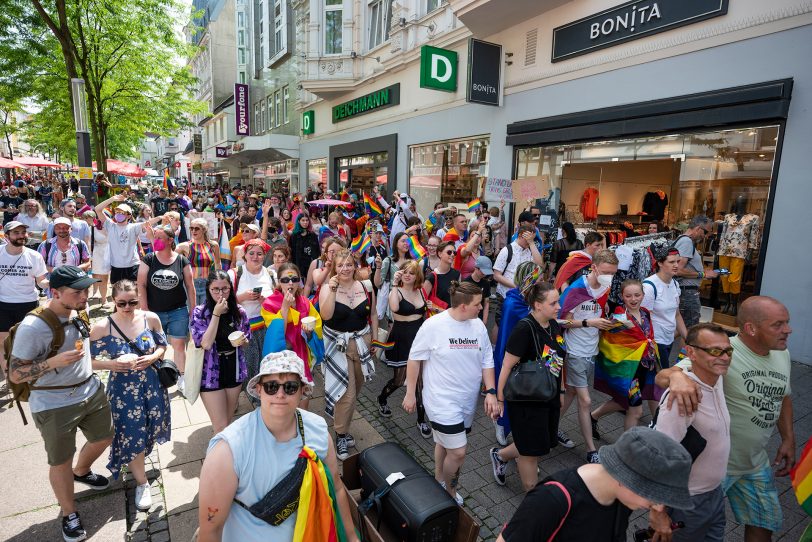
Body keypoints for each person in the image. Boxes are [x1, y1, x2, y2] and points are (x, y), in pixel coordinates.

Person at [655, 296, 795, 542]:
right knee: (691, 530)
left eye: (787, 323)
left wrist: (788, 438)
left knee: (764, 522)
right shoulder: (721, 353)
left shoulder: (781, 354)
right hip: (717, 470)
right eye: (778, 324)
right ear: (751, 328)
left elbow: (784, 396)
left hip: (754, 462)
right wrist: (676, 377)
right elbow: (666, 376)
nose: (787, 330)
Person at [197, 351, 359, 542]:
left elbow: (337, 488)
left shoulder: (318, 430)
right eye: (271, 386)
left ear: (302, 391)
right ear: (259, 390)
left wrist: (351, 537)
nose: (280, 394)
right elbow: (211, 530)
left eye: (290, 387)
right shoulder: (229, 450)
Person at [8, 266, 113, 542]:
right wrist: (50, 363)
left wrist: (112, 364)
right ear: (54, 293)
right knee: (60, 461)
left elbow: (84, 354)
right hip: (53, 404)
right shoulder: (34, 327)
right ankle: (69, 513)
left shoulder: (78, 312)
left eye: (87, 290)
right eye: (77, 291)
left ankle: (82, 471)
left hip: (90, 391)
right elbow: (16, 373)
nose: (85, 296)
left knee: (104, 437)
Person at [497, 427, 693, 542]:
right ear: (625, 477)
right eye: (652, 494)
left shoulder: (622, 499)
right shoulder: (551, 500)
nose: (656, 505)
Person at [403, 281, 498, 506]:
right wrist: (410, 393)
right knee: (458, 452)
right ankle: (450, 493)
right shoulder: (433, 326)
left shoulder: (478, 327)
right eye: (478, 304)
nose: (482, 308)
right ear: (463, 306)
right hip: (440, 401)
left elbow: (487, 359)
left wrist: (492, 391)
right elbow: (414, 358)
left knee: (445, 444)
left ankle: (438, 480)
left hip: (467, 401)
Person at [89, 280, 170, 511]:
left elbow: (163, 345)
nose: (127, 307)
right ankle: (141, 482)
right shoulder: (103, 326)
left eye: (132, 302)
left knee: (150, 428)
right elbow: (86, 361)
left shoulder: (150, 318)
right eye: (122, 303)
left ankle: (138, 466)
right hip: (124, 392)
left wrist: (154, 357)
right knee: (133, 434)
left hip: (153, 386)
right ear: (113, 301)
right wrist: (111, 364)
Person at [649, 323, 731, 542]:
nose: (724, 357)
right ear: (691, 353)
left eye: (727, 350)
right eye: (714, 351)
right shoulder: (683, 396)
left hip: (713, 494)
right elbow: (661, 453)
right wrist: (658, 510)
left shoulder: (716, 378)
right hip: (688, 501)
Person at [490, 281, 567, 491]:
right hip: (526, 400)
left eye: (557, 302)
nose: (558, 307)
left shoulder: (552, 324)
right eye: (553, 303)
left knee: (538, 442)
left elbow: (557, 359)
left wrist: (560, 390)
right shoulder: (524, 329)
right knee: (530, 451)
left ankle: (500, 455)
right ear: (537, 305)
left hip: (547, 395)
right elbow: (505, 367)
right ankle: (531, 497)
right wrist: (499, 400)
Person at [556, 249, 618, 463]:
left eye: (613, 273)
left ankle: (549, 428)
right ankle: (592, 451)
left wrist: (607, 320)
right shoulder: (576, 289)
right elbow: (562, 321)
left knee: (572, 393)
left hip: (592, 349)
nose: (609, 277)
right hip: (575, 350)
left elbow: (599, 311)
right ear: (593, 268)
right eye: (606, 272)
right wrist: (589, 323)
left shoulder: (605, 287)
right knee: (585, 400)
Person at [319, 249, 378, 460]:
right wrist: (333, 290)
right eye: (341, 265)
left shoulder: (365, 286)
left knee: (356, 391)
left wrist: (374, 340)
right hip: (337, 347)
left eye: (349, 264)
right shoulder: (327, 288)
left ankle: (343, 426)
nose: (345, 268)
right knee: (347, 394)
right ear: (334, 268)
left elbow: (372, 314)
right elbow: (325, 315)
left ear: (354, 266)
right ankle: (341, 434)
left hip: (362, 346)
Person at [591, 279, 661, 432]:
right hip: (628, 371)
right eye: (628, 296)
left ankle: (593, 417)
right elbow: (610, 342)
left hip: (644, 367)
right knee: (635, 410)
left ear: (643, 295)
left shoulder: (646, 313)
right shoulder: (620, 316)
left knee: (623, 401)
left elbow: (647, 338)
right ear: (622, 296)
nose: (633, 299)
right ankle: (627, 448)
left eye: (637, 295)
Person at [190, 270, 251, 434]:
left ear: (230, 288)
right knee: (220, 426)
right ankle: (218, 458)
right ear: (208, 289)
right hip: (210, 372)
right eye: (215, 289)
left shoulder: (239, 312)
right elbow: (206, 343)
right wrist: (216, 314)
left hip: (233, 368)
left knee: (227, 424)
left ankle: (225, 456)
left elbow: (246, 340)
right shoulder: (200, 313)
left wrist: (244, 341)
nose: (220, 293)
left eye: (225, 288)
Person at [137, 224, 196, 390]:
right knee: (156, 347)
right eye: (155, 238)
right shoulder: (149, 259)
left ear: (171, 240)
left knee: (178, 345)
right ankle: (160, 375)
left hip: (178, 311)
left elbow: (190, 287)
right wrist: (145, 309)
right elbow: (141, 284)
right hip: (155, 312)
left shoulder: (181, 260)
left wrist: (193, 309)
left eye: (159, 238)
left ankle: (181, 378)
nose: (155, 241)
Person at [377, 260, 429, 436]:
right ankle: (382, 398)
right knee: (399, 380)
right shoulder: (396, 291)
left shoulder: (420, 290)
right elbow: (394, 308)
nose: (407, 275)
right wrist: (393, 284)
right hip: (402, 338)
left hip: (420, 338)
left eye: (412, 273)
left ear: (417, 276)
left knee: (421, 381)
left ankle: (421, 420)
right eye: (404, 271)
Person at [260, 262, 322, 410]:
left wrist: (309, 332)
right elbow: (275, 334)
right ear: (278, 282)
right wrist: (285, 308)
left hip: (302, 357)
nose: (290, 283)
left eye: (294, 279)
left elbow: (317, 329)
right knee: (283, 402)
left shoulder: (306, 303)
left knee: (303, 404)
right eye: (285, 280)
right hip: (281, 360)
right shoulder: (269, 304)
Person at [227, 239, 276, 401]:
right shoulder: (234, 274)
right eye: (252, 253)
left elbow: (277, 300)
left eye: (259, 254)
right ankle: (238, 399)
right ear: (245, 255)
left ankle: (262, 400)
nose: (255, 257)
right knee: (246, 366)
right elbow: (223, 301)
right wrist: (241, 297)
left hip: (267, 327)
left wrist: (265, 302)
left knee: (265, 365)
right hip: (243, 328)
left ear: (264, 256)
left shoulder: (271, 274)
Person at [0, 221, 49, 362]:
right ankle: (9, 377)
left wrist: (56, 283)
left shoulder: (35, 256)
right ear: (7, 235)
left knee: (26, 341)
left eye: (23, 232)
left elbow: (41, 282)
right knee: (3, 341)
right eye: (16, 233)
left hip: (28, 304)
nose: (21, 236)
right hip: (3, 303)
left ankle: (24, 374)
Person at [491, 224, 545, 341]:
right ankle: (495, 349)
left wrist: (531, 243)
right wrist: (517, 286)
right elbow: (496, 275)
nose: (531, 241)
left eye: (533, 239)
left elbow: (540, 266)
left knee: (517, 326)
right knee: (500, 323)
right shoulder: (507, 250)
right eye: (529, 238)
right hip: (505, 294)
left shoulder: (530, 250)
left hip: (523, 297)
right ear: (521, 235)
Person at [642, 247, 688, 377]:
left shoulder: (674, 284)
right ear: (660, 263)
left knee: (656, 382)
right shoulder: (649, 287)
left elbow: (677, 314)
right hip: (656, 342)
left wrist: (688, 338)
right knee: (663, 378)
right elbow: (643, 319)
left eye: (678, 261)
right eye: (671, 262)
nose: (676, 265)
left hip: (669, 338)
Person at [95, 195, 157, 283]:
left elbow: (147, 223)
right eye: (117, 212)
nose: (118, 214)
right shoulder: (110, 225)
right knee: (117, 294)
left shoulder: (134, 227)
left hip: (133, 265)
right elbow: (97, 209)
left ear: (129, 216)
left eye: (122, 213)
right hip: (116, 266)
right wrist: (112, 199)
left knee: (134, 293)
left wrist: (160, 218)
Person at [674, 215, 718, 328]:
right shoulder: (686, 242)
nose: (706, 236)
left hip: (685, 292)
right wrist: (703, 274)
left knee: (683, 328)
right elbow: (678, 270)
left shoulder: (682, 239)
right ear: (698, 228)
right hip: (687, 293)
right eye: (706, 232)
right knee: (690, 328)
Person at [177, 217, 222, 305]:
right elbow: (168, 254)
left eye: (197, 228)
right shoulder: (185, 246)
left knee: (206, 314)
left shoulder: (213, 245)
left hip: (207, 284)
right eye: (191, 228)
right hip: (190, 284)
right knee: (192, 314)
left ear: (204, 230)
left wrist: (218, 280)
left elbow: (218, 263)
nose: (193, 231)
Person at [374, 231, 415, 321]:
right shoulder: (388, 261)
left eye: (407, 241)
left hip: (410, 301)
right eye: (403, 241)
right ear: (396, 244)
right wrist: (378, 267)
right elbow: (378, 284)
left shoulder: (413, 262)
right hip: (394, 302)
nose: (406, 243)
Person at [423, 240, 461, 310]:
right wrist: (437, 309)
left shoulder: (457, 274)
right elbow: (423, 301)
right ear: (440, 254)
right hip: (437, 318)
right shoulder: (432, 277)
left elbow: (458, 298)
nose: (452, 255)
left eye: (454, 253)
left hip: (453, 316)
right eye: (449, 252)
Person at [289, 213, 320, 278]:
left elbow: (317, 250)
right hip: (298, 264)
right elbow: (292, 252)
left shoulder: (312, 235)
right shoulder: (294, 236)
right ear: (298, 221)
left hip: (311, 263)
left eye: (307, 220)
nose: (305, 222)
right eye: (303, 220)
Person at [463, 255, 492, 321]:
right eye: (483, 272)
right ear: (476, 268)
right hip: (468, 317)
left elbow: (486, 302)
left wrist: (485, 320)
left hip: (480, 317)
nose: (485, 274)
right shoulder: (466, 283)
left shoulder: (486, 283)